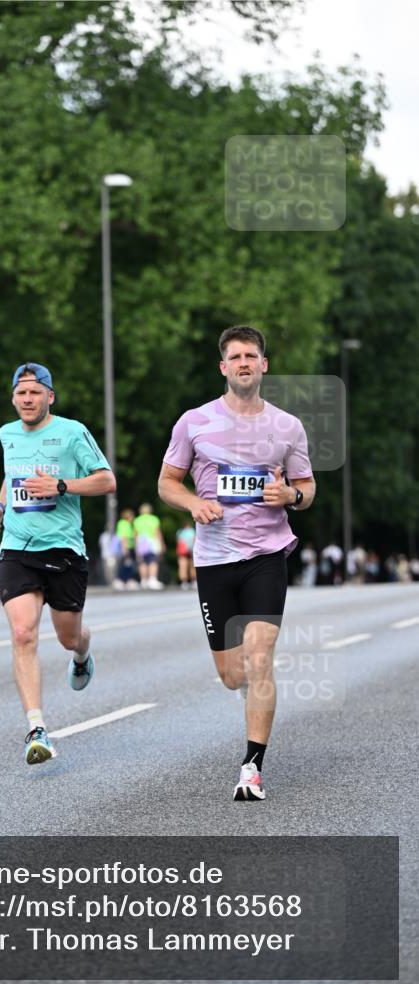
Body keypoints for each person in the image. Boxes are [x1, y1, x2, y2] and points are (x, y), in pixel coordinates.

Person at [158, 325, 316, 801]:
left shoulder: (287, 426)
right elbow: (167, 483)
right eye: (235, 356)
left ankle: (252, 768)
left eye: (252, 355)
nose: (244, 362)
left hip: (266, 555)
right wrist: (192, 505)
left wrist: (289, 494)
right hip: (213, 560)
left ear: (264, 365)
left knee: (260, 657)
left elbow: (307, 490)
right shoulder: (194, 422)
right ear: (223, 367)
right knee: (233, 675)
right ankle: (251, 699)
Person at [0, 363, 116, 765]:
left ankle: (82, 654)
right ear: (13, 398)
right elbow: (12, 477)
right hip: (17, 549)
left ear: (49, 397)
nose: (28, 400)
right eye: (21, 393)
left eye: (35, 393)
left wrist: (61, 486)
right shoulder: (7, 434)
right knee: (23, 634)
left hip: (63, 550)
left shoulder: (72, 432)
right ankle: (36, 728)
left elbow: (106, 480)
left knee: (67, 638)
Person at [134, 503, 165, 590]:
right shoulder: (154, 519)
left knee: (142, 562)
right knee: (153, 561)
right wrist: (161, 544)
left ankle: (144, 581)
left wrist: (136, 547)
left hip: (141, 542)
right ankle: (152, 579)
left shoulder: (137, 520)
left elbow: (135, 535)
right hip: (152, 542)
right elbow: (157, 533)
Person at [115, 508, 139, 589]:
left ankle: (126, 580)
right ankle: (122, 580)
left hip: (128, 547)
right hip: (126, 548)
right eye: (132, 516)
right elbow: (123, 537)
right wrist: (125, 550)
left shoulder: (125, 524)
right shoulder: (124, 524)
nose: (133, 518)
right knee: (125, 565)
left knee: (127, 565)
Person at [176, 519, 197, 590]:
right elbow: (195, 540)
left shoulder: (179, 532)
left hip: (182, 552)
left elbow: (178, 542)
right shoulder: (192, 531)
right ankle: (194, 581)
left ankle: (184, 582)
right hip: (191, 550)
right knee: (192, 567)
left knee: (182, 567)